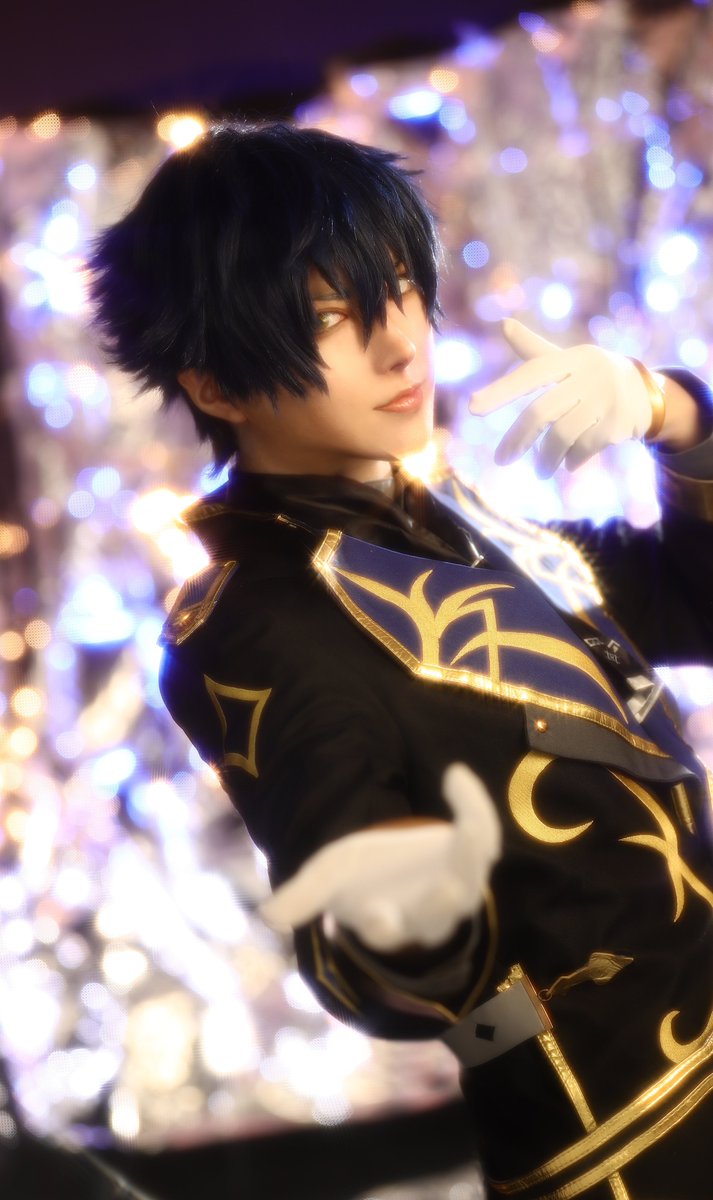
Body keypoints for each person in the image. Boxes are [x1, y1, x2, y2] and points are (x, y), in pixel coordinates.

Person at [89, 122, 713, 1199]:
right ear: (217, 385)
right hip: (627, 1140)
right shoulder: (252, 619)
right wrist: (405, 923)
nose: (399, 344)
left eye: (399, 288)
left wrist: (672, 411)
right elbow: (358, 954)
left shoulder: (446, 516)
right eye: (328, 318)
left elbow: (695, 601)